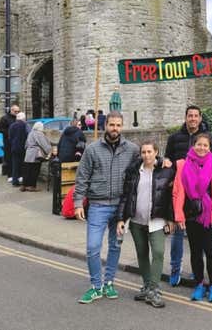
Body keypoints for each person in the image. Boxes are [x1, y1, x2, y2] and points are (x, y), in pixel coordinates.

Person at [72, 111, 139, 304]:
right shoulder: (92, 150)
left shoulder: (132, 149)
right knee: (93, 247)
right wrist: (78, 204)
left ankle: (109, 282)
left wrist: (162, 161)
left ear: (122, 126)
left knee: (115, 245)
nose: (115, 129)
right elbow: (82, 178)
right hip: (98, 206)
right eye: (112, 125)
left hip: (120, 207)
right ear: (105, 125)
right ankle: (96, 286)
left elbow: (146, 162)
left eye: (118, 125)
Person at [164, 105, 212, 286]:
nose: (193, 119)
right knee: (178, 236)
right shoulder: (175, 138)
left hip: (204, 197)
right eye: (190, 116)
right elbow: (168, 161)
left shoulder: (209, 138)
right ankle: (175, 269)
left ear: (200, 118)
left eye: (196, 115)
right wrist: (172, 180)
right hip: (183, 194)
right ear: (186, 117)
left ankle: (201, 276)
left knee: (203, 243)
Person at [116, 140, 174, 308]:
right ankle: (147, 286)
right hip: (136, 221)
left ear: (156, 152)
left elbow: (172, 198)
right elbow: (125, 196)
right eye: (144, 152)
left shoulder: (167, 170)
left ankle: (154, 290)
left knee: (158, 252)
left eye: (150, 152)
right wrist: (121, 218)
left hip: (156, 221)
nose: (146, 155)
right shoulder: (134, 171)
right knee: (142, 254)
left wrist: (171, 219)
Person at [172, 133, 212, 303]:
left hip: (210, 215)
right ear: (193, 145)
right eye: (199, 144)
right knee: (196, 252)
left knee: (211, 251)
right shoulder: (182, 164)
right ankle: (199, 284)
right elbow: (177, 191)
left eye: (206, 145)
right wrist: (178, 215)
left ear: (209, 148)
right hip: (191, 215)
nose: (202, 148)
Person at [22, 121, 51, 192]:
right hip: (35, 154)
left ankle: (24, 185)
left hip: (28, 154)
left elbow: (26, 145)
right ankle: (32, 186)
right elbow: (43, 144)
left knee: (27, 170)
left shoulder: (30, 133)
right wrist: (50, 151)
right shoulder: (39, 133)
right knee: (35, 170)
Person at [0, 103, 19, 179]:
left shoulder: (18, 118)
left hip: (16, 142)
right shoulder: (4, 118)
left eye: (18, 111)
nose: (17, 113)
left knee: (16, 159)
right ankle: (10, 175)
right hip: (8, 142)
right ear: (11, 110)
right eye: (16, 111)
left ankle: (16, 174)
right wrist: (9, 132)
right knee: (9, 159)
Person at [8, 112, 29, 187]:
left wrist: (13, 143)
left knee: (15, 165)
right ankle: (24, 181)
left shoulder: (12, 125)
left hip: (14, 148)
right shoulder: (25, 125)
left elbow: (10, 137)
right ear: (23, 118)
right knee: (24, 165)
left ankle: (15, 181)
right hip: (23, 148)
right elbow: (28, 135)